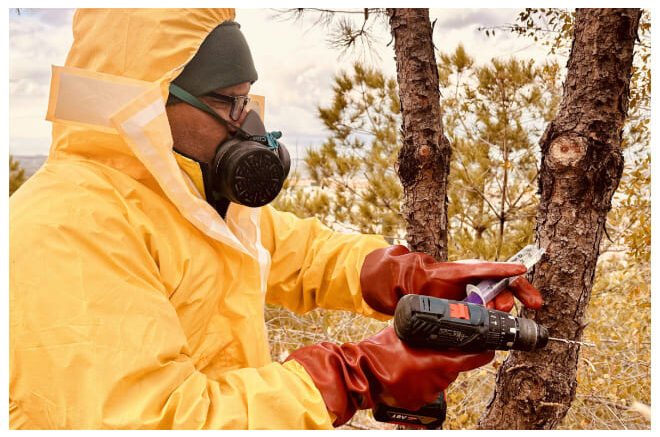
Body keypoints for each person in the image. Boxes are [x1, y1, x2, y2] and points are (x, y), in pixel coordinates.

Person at [9, 9, 543, 430]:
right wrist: (350, 378)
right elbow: (145, 420)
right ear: (147, 103)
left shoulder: (184, 202)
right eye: (229, 104)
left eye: (248, 102)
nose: (253, 126)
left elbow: (298, 252)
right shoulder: (66, 229)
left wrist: (400, 273)